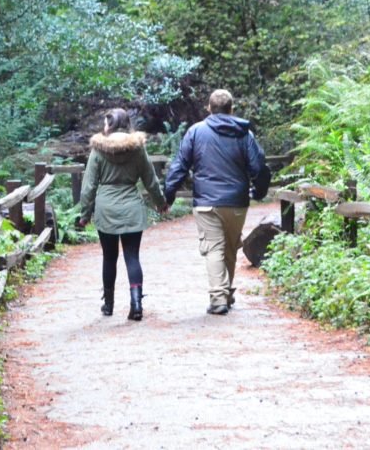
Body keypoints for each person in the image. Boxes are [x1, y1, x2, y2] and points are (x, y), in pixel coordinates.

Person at [163, 89, 265, 315]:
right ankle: (225, 294)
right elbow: (258, 166)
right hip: (237, 202)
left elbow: (179, 166)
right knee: (229, 247)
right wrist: (259, 191)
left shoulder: (196, 132)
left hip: (206, 202)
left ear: (209, 108)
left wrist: (168, 195)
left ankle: (219, 298)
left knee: (214, 248)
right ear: (232, 108)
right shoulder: (244, 134)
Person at [77, 108, 167, 321]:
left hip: (106, 208)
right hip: (131, 208)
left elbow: (88, 186)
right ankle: (136, 304)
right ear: (127, 124)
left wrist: (84, 214)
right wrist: (161, 203)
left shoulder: (98, 149)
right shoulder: (137, 148)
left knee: (109, 257)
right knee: (132, 256)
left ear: (109, 124)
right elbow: (150, 179)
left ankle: (108, 305)